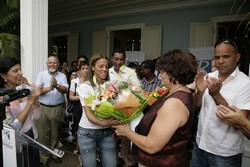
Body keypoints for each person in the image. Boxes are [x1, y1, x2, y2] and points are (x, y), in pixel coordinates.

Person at [113, 49, 197, 167]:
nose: (160, 74)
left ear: (174, 72)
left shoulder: (174, 103)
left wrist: (126, 131)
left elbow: (151, 146)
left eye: (163, 71)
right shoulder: (177, 92)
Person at [191, 39, 250, 167]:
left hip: (225, 155)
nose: (220, 61)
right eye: (217, 57)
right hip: (200, 146)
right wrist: (200, 93)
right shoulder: (209, 76)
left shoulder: (245, 83)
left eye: (226, 56)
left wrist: (216, 95)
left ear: (237, 57)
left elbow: (238, 123)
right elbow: (195, 107)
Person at [77, 54, 120, 167]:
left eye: (106, 66)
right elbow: (89, 114)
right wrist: (105, 123)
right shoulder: (85, 87)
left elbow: (117, 107)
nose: (104, 69)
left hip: (107, 132)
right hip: (87, 132)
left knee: (111, 164)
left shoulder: (111, 87)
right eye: (101, 66)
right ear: (92, 67)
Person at [0, 56, 43, 167]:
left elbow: (37, 116)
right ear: (4, 75)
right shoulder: (2, 97)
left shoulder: (24, 89)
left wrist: (35, 98)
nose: (21, 73)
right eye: (15, 71)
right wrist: (30, 102)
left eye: (20, 69)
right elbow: (13, 127)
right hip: (13, 142)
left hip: (30, 135)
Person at [109, 48, 141, 167]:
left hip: (126, 112)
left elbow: (137, 90)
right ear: (112, 59)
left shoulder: (130, 73)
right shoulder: (108, 72)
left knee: (126, 140)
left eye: (121, 59)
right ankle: (113, 162)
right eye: (116, 59)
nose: (118, 62)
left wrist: (125, 89)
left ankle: (129, 163)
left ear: (125, 60)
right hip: (110, 111)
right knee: (111, 140)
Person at [35, 55, 69, 167]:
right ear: (47, 64)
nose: (52, 65)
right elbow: (38, 91)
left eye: (54, 63)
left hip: (57, 108)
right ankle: (44, 159)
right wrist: (50, 88)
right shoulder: (41, 75)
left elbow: (65, 90)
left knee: (55, 133)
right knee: (43, 134)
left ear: (58, 64)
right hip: (43, 108)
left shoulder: (62, 76)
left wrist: (57, 85)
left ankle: (53, 154)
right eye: (50, 62)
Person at [67, 61, 89, 154]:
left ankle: (81, 147)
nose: (85, 70)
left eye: (87, 68)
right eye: (83, 68)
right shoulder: (74, 82)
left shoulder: (92, 82)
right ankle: (78, 146)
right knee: (78, 127)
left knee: (87, 127)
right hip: (77, 107)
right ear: (79, 70)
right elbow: (70, 97)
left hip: (88, 107)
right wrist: (82, 96)